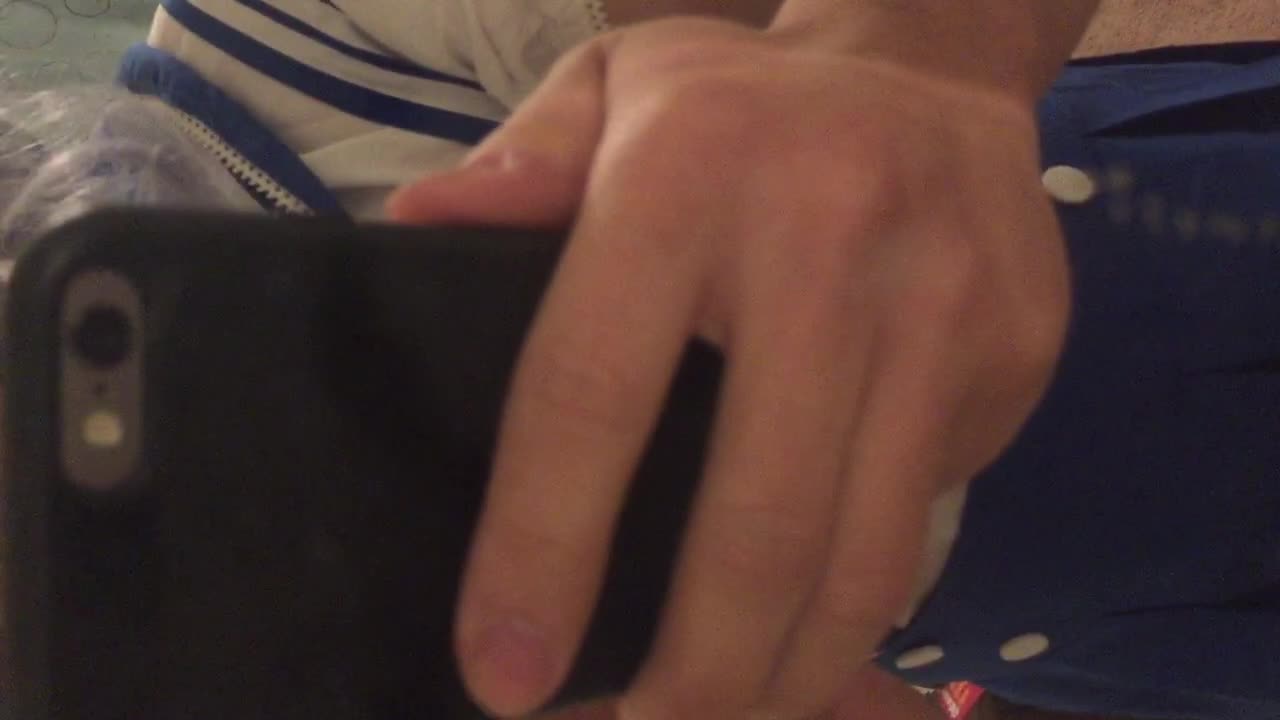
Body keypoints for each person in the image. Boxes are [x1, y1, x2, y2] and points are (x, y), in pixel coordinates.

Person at [1, 2, 1276, 719]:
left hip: (1193, 241)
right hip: (1126, 640)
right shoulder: (206, 633)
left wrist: (909, 56)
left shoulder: (287, 27)